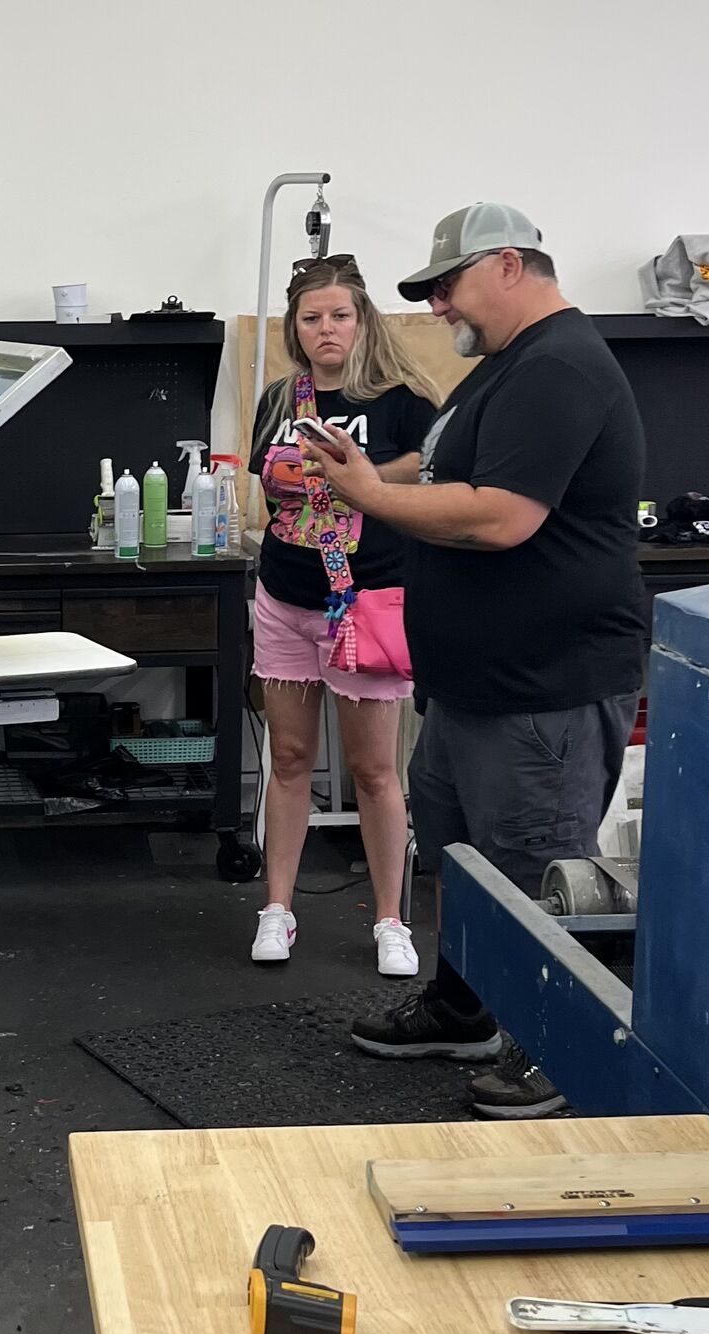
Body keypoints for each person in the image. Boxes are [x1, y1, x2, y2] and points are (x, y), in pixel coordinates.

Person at [308, 205, 647, 1116]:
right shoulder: (502, 369)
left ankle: (557, 1046)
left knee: (539, 865)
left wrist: (371, 497)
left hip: (545, 683)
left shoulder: (561, 368)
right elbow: (445, 464)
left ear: (507, 265)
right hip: (472, 680)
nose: (437, 305)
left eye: (445, 286)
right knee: (462, 856)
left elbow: (502, 516)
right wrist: (365, 466)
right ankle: (465, 1008)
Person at [246, 254, 440, 977]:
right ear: (295, 330)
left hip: (368, 602)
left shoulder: (399, 399)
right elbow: (264, 477)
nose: (325, 328)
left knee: (374, 770)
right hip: (284, 598)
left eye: (339, 315)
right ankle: (277, 908)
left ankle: (391, 919)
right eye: (311, 318)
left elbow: (427, 466)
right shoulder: (279, 399)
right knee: (289, 759)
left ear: (361, 321)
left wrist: (352, 474)